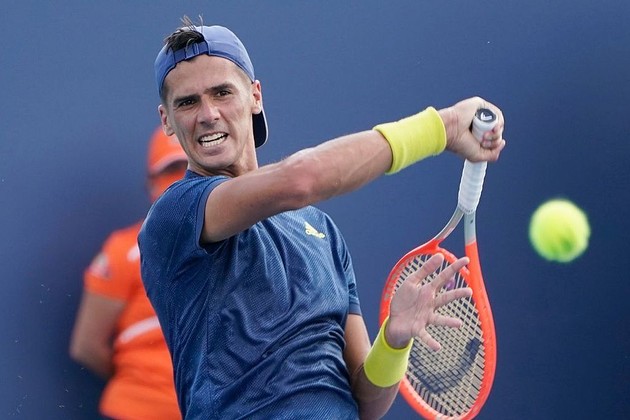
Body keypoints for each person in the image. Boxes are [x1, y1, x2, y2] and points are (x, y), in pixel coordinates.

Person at [139, 17, 506, 420]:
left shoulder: (321, 232)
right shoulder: (176, 214)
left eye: (222, 92)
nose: (208, 114)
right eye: (187, 102)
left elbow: (366, 402)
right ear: (166, 119)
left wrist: (393, 340)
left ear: (255, 96)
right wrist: (442, 128)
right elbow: (300, 180)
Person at [70, 126, 188, 420]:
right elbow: (86, 346)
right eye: (171, 169)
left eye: (190, 168)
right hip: (136, 410)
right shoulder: (123, 251)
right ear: (151, 183)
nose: (181, 179)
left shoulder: (243, 246)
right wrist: (142, 387)